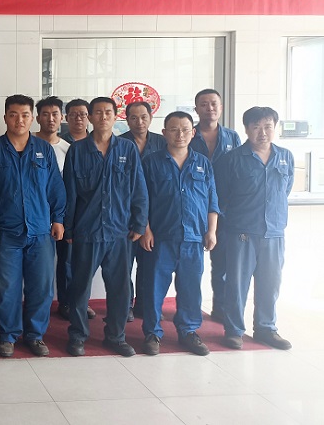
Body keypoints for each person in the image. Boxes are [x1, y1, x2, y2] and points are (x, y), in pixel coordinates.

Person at [0, 94, 66, 358]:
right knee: (6, 288)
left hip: (40, 231)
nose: (19, 120)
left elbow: (55, 188)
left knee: (41, 287)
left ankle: (35, 335)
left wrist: (58, 219)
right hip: (5, 232)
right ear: (5, 117)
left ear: (32, 118)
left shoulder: (44, 150)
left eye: (25, 115)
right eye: (14, 115)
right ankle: (8, 335)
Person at [64, 97, 148, 358]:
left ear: (115, 116)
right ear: (90, 117)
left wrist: (140, 222)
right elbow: (70, 192)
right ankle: (78, 335)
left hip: (119, 231)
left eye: (108, 112)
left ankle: (116, 336)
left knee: (120, 288)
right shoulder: (77, 150)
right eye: (98, 113)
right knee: (80, 288)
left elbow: (139, 188)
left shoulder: (127, 149)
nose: (103, 117)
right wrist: (68, 227)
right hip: (86, 231)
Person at [215, 107, 293, 351]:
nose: (263, 132)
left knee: (270, 284)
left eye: (268, 126)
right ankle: (234, 330)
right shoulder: (231, 159)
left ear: (275, 127)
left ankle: (266, 328)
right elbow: (221, 196)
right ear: (246, 129)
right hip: (241, 232)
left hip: (274, 232)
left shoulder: (285, 156)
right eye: (256, 127)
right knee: (237, 285)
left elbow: (285, 189)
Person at [140, 111, 218, 356]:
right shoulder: (151, 162)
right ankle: (152, 333)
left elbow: (212, 200)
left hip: (193, 238)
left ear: (193, 133)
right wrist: (146, 229)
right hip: (161, 237)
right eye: (174, 129)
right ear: (164, 133)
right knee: (154, 289)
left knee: (190, 288)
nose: (180, 134)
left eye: (185, 129)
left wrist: (212, 231)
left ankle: (188, 331)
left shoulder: (202, 163)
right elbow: (141, 199)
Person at [34, 97, 96, 322]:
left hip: (64, 215)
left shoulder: (69, 149)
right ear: (37, 118)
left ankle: (70, 303)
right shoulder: (28, 143)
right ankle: (33, 310)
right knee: (37, 268)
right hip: (36, 215)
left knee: (69, 261)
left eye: (55, 114)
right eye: (45, 114)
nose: (50, 119)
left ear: (61, 118)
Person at [190, 88, 242, 322]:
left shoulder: (232, 137)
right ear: (196, 109)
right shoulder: (188, 134)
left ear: (220, 108)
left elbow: (239, 172)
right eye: (204, 104)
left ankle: (220, 307)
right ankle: (189, 309)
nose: (209, 108)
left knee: (223, 262)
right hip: (192, 207)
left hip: (225, 210)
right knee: (189, 264)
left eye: (213, 104)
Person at [119, 100, 167, 321]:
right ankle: (126, 305)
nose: (139, 122)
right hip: (125, 214)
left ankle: (145, 305)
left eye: (144, 117)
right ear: (127, 120)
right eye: (134, 118)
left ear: (151, 118)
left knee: (149, 264)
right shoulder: (119, 143)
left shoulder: (162, 142)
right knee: (124, 264)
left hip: (155, 214)